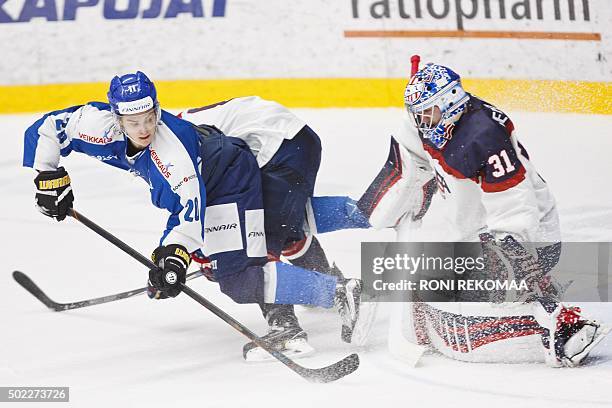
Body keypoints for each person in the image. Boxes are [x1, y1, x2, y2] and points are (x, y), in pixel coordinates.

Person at [22, 71, 363, 361]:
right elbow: (49, 127)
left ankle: (325, 300)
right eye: (133, 122)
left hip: (231, 179)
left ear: (157, 110)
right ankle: (319, 294)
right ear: (116, 118)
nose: (143, 129)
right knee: (239, 255)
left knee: (239, 275)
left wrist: (173, 259)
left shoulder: (173, 153)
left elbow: (190, 211)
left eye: (150, 118)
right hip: (219, 176)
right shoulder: (96, 125)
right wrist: (47, 176)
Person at [309, 60, 608, 367]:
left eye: (427, 113)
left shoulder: (484, 138)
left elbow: (515, 204)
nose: (422, 122)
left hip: (532, 237)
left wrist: (511, 249)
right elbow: (410, 155)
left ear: (450, 103)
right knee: (427, 277)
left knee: (478, 288)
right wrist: (392, 207)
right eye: (418, 114)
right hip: (475, 230)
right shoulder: (432, 124)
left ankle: (562, 326)